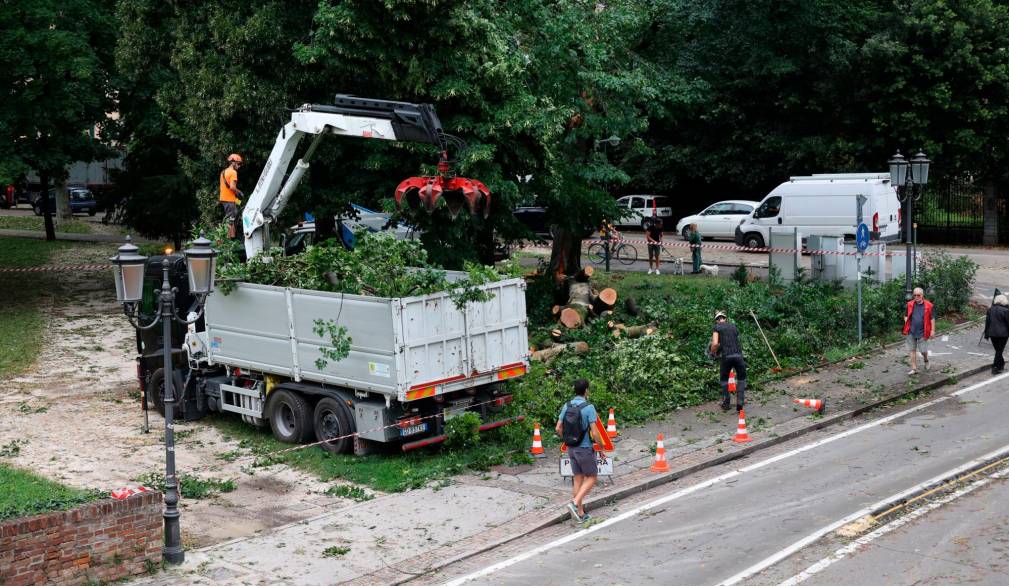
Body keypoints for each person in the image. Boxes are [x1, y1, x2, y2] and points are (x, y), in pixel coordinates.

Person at [555, 379, 599, 522]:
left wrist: (567, 440)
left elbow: (558, 428)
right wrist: (602, 447)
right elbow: (595, 432)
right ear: (586, 390)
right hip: (584, 448)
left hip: (571, 449)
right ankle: (574, 504)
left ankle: (580, 514)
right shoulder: (589, 407)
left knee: (578, 479)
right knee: (592, 477)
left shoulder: (567, 406)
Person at [710, 310, 747, 412]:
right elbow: (736, 340)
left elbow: (715, 343)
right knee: (741, 378)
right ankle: (740, 402)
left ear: (717, 320)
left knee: (724, 380)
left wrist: (713, 353)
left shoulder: (716, 327)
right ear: (725, 318)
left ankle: (726, 404)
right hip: (738, 356)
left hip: (726, 357)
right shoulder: (733, 326)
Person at [902, 287, 935, 375]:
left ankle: (926, 360)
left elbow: (932, 319)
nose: (916, 297)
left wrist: (932, 330)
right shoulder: (909, 304)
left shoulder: (929, 305)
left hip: (923, 332)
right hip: (911, 331)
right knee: (912, 350)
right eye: (914, 295)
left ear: (922, 295)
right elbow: (905, 315)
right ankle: (914, 368)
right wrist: (906, 322)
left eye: (918, 295)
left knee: (923, 351)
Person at [219, 153, 245, 239]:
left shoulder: (223, 172)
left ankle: (232, 238)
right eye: (239, 163)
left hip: (224, 199)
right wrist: (239, 193)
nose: (239, 166)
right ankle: (228, 241)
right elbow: (232, 187)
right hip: (229, 200)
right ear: (233, 163)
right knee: (230, 221)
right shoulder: (233, 172)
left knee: (232, 219)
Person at [983, 294, 1009, 374]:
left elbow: (987, 322)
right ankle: (995, 367)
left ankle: (1001, 364)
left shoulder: (990, 310)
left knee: (998, 350)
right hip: (1003, 334)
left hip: (992, 333)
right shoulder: (1006, 311)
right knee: (999, 350)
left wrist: (986, 333)